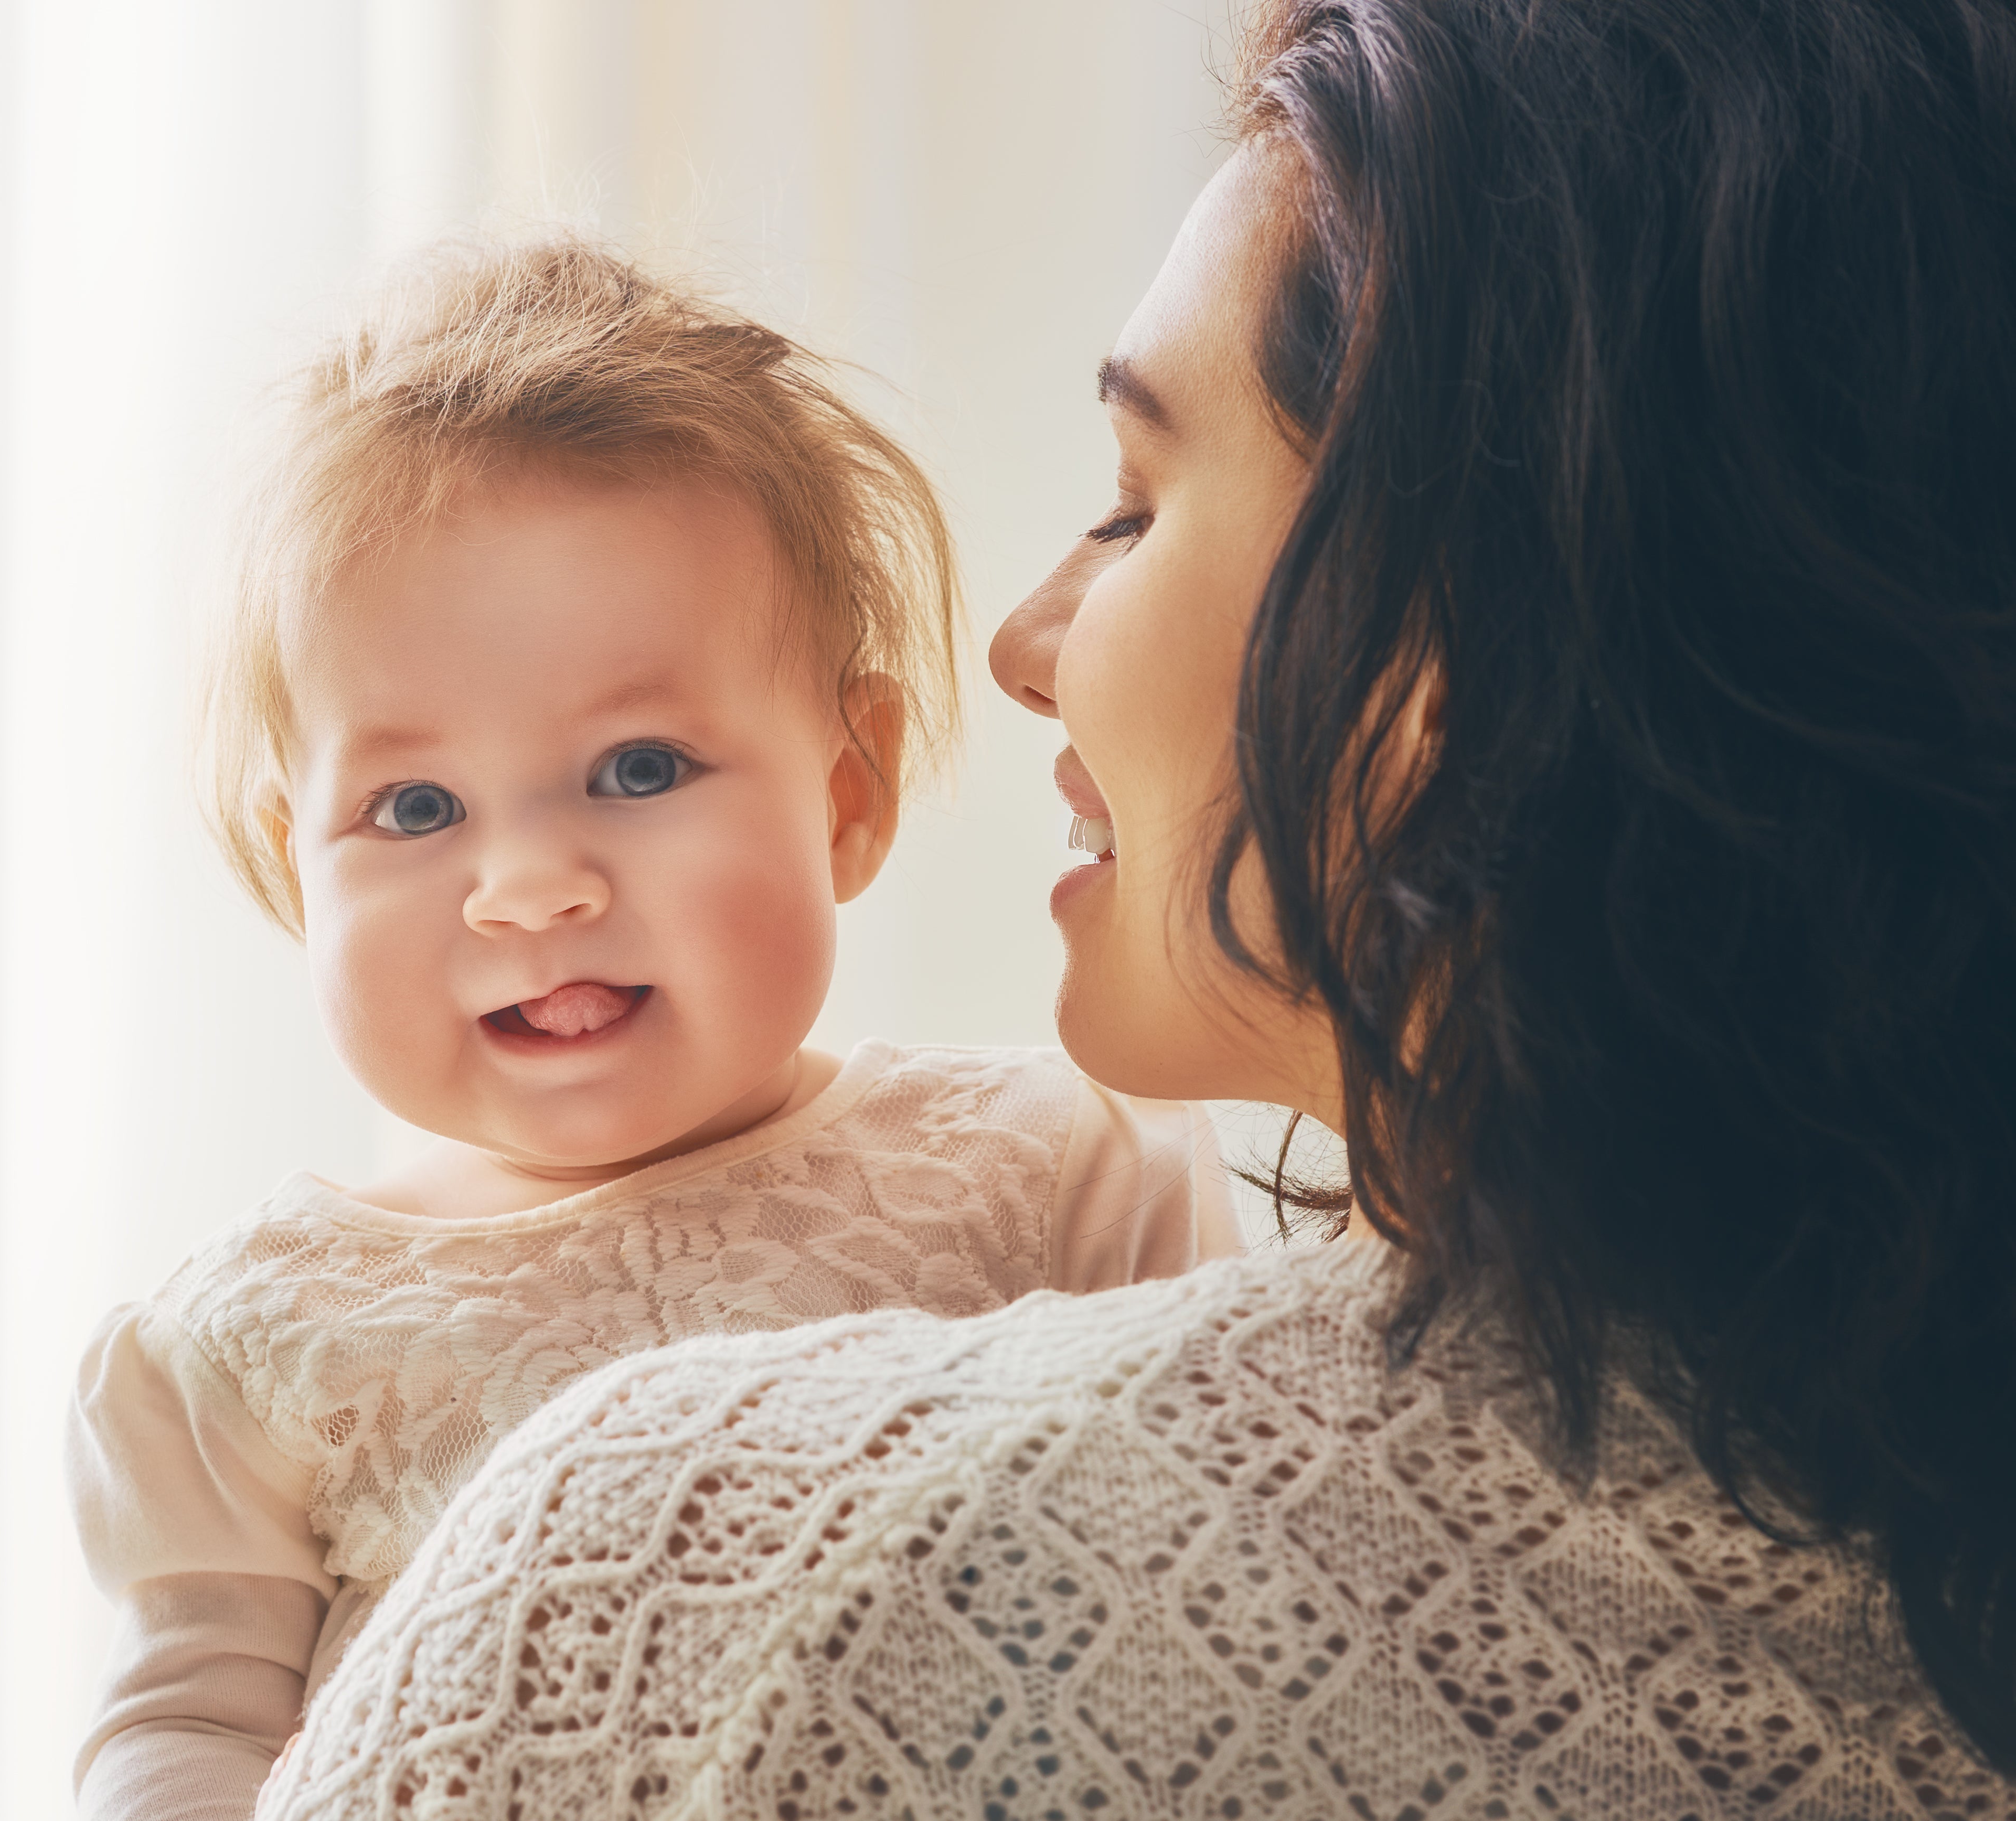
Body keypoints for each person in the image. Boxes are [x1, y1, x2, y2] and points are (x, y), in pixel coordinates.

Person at [252, 0, 2016, 1814]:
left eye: (1133, 503)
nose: (1021, 650)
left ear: (1464, 643)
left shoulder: (687, 1587)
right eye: (411, 806)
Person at [63, 241, 1242, 1821]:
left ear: (847, 792)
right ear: (300, 865)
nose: (531, 887)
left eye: (638, 770)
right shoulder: (261, 1344)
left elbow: (1223, 1587)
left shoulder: (1049, 1169)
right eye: (416, 807)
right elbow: (187, 1732)